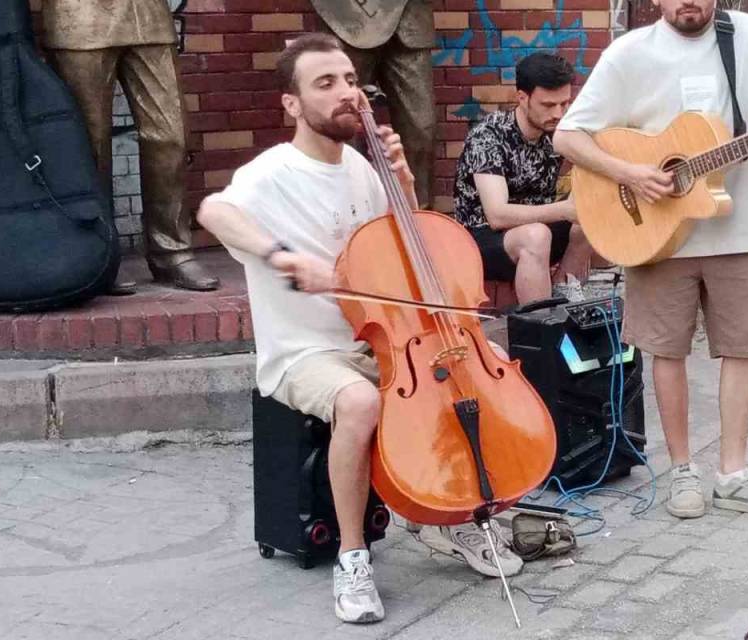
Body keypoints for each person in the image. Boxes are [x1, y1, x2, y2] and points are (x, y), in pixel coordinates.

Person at [196, 33, 521, 626]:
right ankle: (353, 555)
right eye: (326, 84)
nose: (347, 93)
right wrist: (280, 256)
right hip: (305, 353)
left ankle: (452, 516)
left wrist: (402, 186)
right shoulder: (270, 172)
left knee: (471, 369)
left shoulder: (362, 168)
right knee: (362, 401)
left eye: (349, 80)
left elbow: (404, 251)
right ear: (291, 104)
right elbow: (213, 212)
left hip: (381, 340)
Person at [553, 0, 748, 521]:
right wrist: (630, 174)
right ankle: (682, 469)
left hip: (736, 228)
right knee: (667, 351)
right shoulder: (629, 53)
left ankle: (733, 473)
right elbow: (567, 135)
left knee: (744, 346)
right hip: (655, 231)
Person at [41, 0, 219, 291]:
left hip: (148, 17)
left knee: (171, 136)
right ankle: (100, 255)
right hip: (80, 19)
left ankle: (171, 252)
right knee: (89, 143)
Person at [453, 52, 598, 303]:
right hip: (481, 239)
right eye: (548, 105)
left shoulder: (556, 131)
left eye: (564, 104)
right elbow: (497, 215)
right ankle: (541, 326)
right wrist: (565, 209)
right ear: (522, 97)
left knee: (589, 212)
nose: (559, 113)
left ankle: (564, 290)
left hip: (537, 229)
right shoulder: (489, 135)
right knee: (536, 235)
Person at [312, 0, 438, 208]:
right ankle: (351, 214)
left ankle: (419, 220)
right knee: (342, 124)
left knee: (422, 128)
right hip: (346, 15)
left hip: (409, 19)